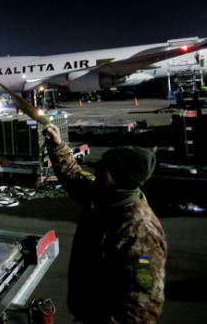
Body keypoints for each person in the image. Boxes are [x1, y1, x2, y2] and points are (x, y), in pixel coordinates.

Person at [43, 125, 167, 323]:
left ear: (118, 177)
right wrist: (57, 146)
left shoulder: (140, 231)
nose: (97, 168)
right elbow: (74, 177)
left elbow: (143, 309)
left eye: (104, 167)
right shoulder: (104, 195)